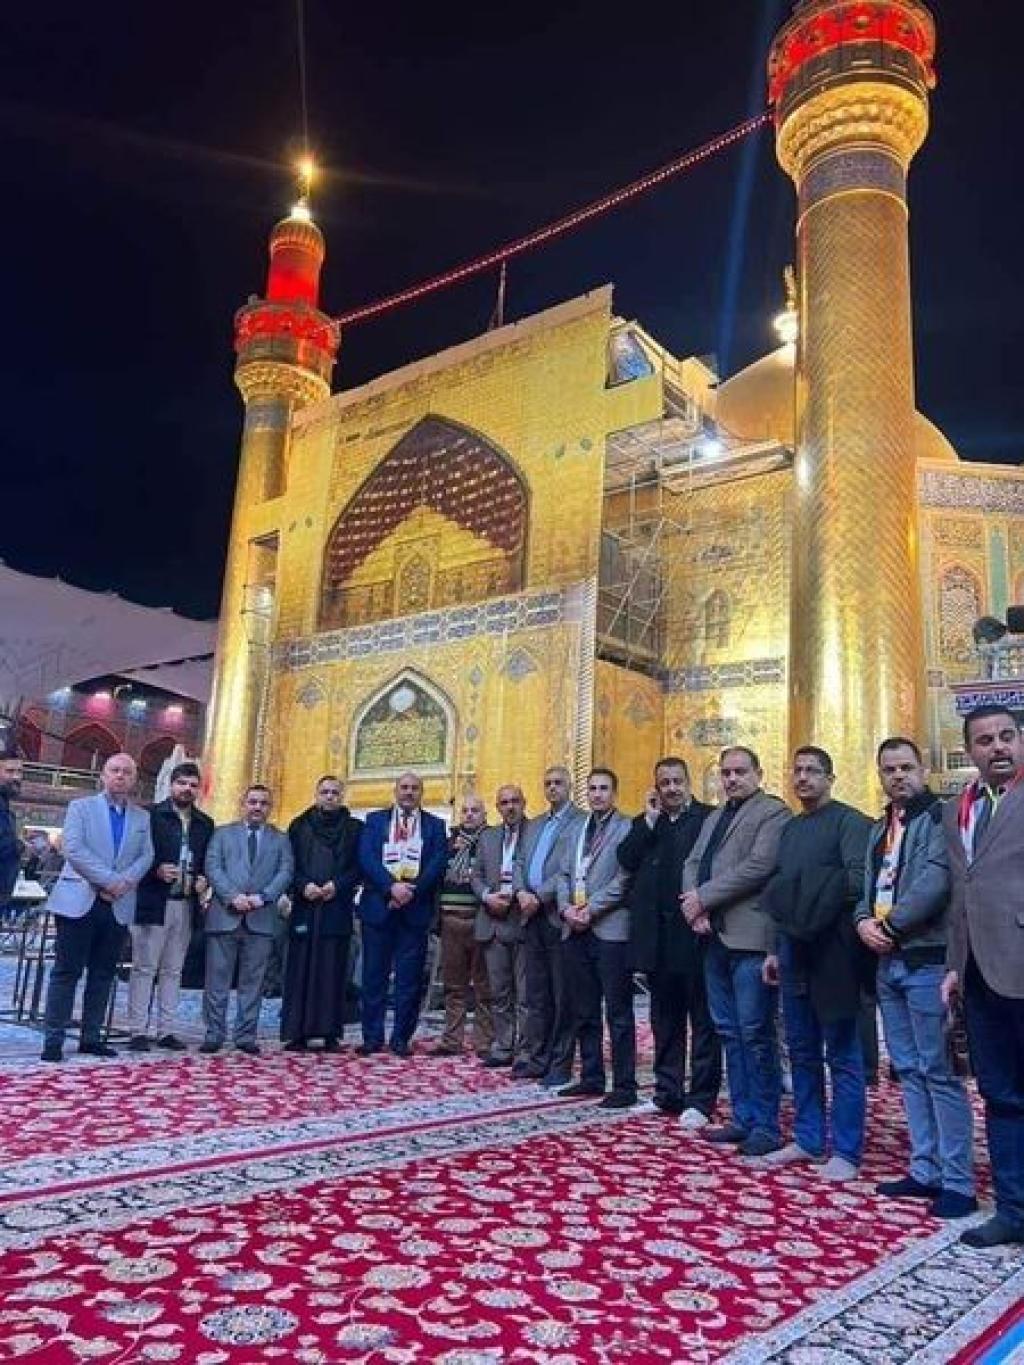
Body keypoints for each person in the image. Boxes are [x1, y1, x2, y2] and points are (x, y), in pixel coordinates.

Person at [855, 736, 975, 1218]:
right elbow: (865, 885)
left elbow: (936, 881)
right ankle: (924, 1169)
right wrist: (862, 922)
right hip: (887, 962)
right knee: (906, 1068)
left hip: (926, 959)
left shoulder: (941, 817)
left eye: (906, 767)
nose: (898, 776)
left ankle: (959, 1181)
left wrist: (889, 927)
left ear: (922, 770)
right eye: (889, 769)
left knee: (939, 1071)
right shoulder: (880, 826)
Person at [761, 747, 872, 1181]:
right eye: (798, 771)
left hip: (834, 948)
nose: (803, 778)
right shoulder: (791, 828)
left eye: (812, 771)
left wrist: (805, 900)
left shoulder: (850, 822)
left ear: (830, 778)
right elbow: (777, 889)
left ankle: (846, 1149)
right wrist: (774, 948)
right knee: (802, 1048)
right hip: (793, 948)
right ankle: (808, 1138)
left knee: (841, 1053)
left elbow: (855, 881)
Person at [942, 704, 1024, 1247]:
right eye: (985, 740)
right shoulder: (959, 809)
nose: (998, 747)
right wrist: (954, 966)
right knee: (1000, 1094)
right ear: (970, 750)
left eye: (1007, 736)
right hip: (978, 973)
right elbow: (961, 892)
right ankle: (1014, 1211)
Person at [682, 746, 790, 1156]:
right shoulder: (715, 816)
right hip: (713, 936)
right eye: (725, 772)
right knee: (728, 1031)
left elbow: (759, 866)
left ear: (758, 774)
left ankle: (765, 1125)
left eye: (740, 772)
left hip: (750, 938)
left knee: (755, 1033)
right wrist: (695, 905)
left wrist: (704, 897)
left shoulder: (773, 812)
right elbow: (693, 862)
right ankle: (742, 1118)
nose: (731, 779)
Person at [618, 756, 718, 1126]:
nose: (671, 789)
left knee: (703, 1023)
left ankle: (701, 1099)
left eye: (677, 781)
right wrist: (648, 821)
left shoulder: (708, 819)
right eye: (665, 783)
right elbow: (626, 858)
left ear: (689, 783)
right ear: (656, 788)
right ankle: (667, 1092)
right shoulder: (647, 822)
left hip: (694, 937)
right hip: (657, 942)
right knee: (664, 1021)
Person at [41, 753, 154, 1062]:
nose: (120, 776)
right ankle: (53, 1040)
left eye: (127, 772)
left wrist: (124, 883)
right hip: (80, 900)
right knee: (67, 972)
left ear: (134, 780)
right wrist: (109, 881)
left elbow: (146, 856)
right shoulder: (81, 808)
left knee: (103, 974)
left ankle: (91, 1037)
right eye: (114, 770)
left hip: (118, 904)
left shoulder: (142, 818)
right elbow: (74, 849)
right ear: (103, 775)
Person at [556, 768, 636, 1108]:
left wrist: (592, 908)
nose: (598, 794)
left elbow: (625, 878)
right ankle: (591, 1076)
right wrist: (566, 909)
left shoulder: (627, 827)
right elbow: (562, 874)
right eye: (592, 788)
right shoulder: (576, 829)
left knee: (618, 1011)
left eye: (604, 788)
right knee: (584, 1008)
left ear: (614, 793)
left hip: (610, 928)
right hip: (574, 927)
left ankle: (624, 1085)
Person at [357, 771, 447, 1057]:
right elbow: (366, 858)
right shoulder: (375, 821)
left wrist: (411, 891)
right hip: (379, 908)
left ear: (422, 793)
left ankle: (401, 1038)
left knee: (409, 980)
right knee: (373, 977)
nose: (409, 792)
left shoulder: (435, 825)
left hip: (414, 910)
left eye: (414, 788)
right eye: (404, 787)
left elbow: (437, 863)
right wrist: (390, 888)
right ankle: (372, 1037)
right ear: (396, 791)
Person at [202, 784, 294, 1056]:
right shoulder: (222, 834)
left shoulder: (280, 839)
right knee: (216, 981)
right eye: (252, 802)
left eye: (263, 803)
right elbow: (213, 867)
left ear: (270, 808)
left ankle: (245, 1035)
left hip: (261, 917)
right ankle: (214, 1033)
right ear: (242, 803)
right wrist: (232, 896)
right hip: (224, 915)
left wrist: (263, 897)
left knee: (253, 983)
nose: (257, 807)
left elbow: (285, 872)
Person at [128, 761, 214, 1051]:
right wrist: (155, 870)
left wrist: (204, 879)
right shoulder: (150, 815)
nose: (187, 789)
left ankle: (166, 1030)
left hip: (186, 904)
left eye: (193, 785)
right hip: (154, 901)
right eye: (182, 783)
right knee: (144, 968)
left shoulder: (204, 823)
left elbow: (207, 861)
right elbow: (134, 856)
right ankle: (137, 1031)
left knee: (173, 970)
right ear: (171, 785)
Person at [284, 775, 362, 1052]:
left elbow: (358, 867)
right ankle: (297, 1033)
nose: (329, 797)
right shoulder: (299, 825)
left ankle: (330, 1033)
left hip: (336, 907)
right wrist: (303, 885)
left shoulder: (354, 829)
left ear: (342, 797)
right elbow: (288, 864)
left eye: (334, 793)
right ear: (316, 795)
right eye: (325, 792)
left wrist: (336, 886)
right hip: (305, 907)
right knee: (301, 970)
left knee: (333, 970)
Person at [516, 765, 583, 1089]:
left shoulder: (581, 822)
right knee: (536, 994)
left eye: (558, 782)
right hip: (531, 918)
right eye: (548, 783)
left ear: (569, 786)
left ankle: (560, 1062)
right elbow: (519, 861)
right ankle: (537, 1057)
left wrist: (539, 896)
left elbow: (568, 870)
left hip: (558, 914)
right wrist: (520, 892)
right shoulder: (534, 824)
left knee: (562, 995)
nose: (552, 788)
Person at [471, 784, 530, 1072]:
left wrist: (521, 894)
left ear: (524, 803)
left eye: (515, 801)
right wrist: (486, 896)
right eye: (504, 802)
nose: (510, 807)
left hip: (523, 920)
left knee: (526, 995)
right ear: (497, 808)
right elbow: (476, 875)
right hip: (493, 919)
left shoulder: (535, 832)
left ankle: (526, 1051)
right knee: (499, 992)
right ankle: (503, 1046)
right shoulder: (488, 836)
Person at [430, 794, 494, 1058]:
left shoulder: (493, 842)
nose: (469, 815)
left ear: (484, 815)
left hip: (481, 919)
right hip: (450, 920)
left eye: (475, 810)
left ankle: (484, 1041)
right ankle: (452, 1040)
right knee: (453, 985)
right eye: (465, 810)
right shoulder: (447, 844)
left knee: (484, 986)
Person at [0, 750, 23, 922]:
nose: (16, 777)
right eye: (9, 771)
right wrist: (18, 846)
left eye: (20, 771)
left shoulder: (6, 808)